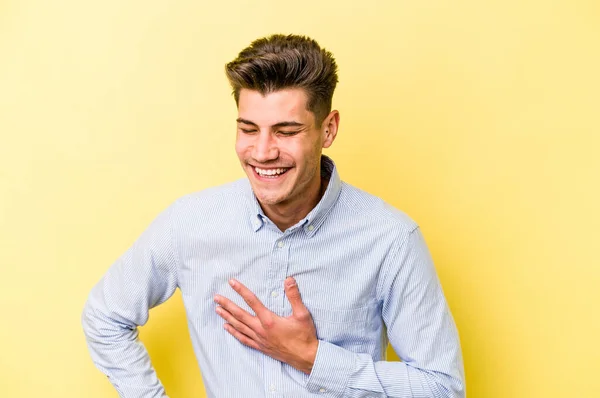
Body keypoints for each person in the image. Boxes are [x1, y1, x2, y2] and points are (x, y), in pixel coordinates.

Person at [82, 34, 465, 398]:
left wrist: (313, 358)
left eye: (286, 131)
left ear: (327, 129)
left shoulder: (390, 239)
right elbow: (105, 316)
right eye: (249, 129)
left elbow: (443, 388)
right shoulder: (190, 224)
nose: (263, 152)